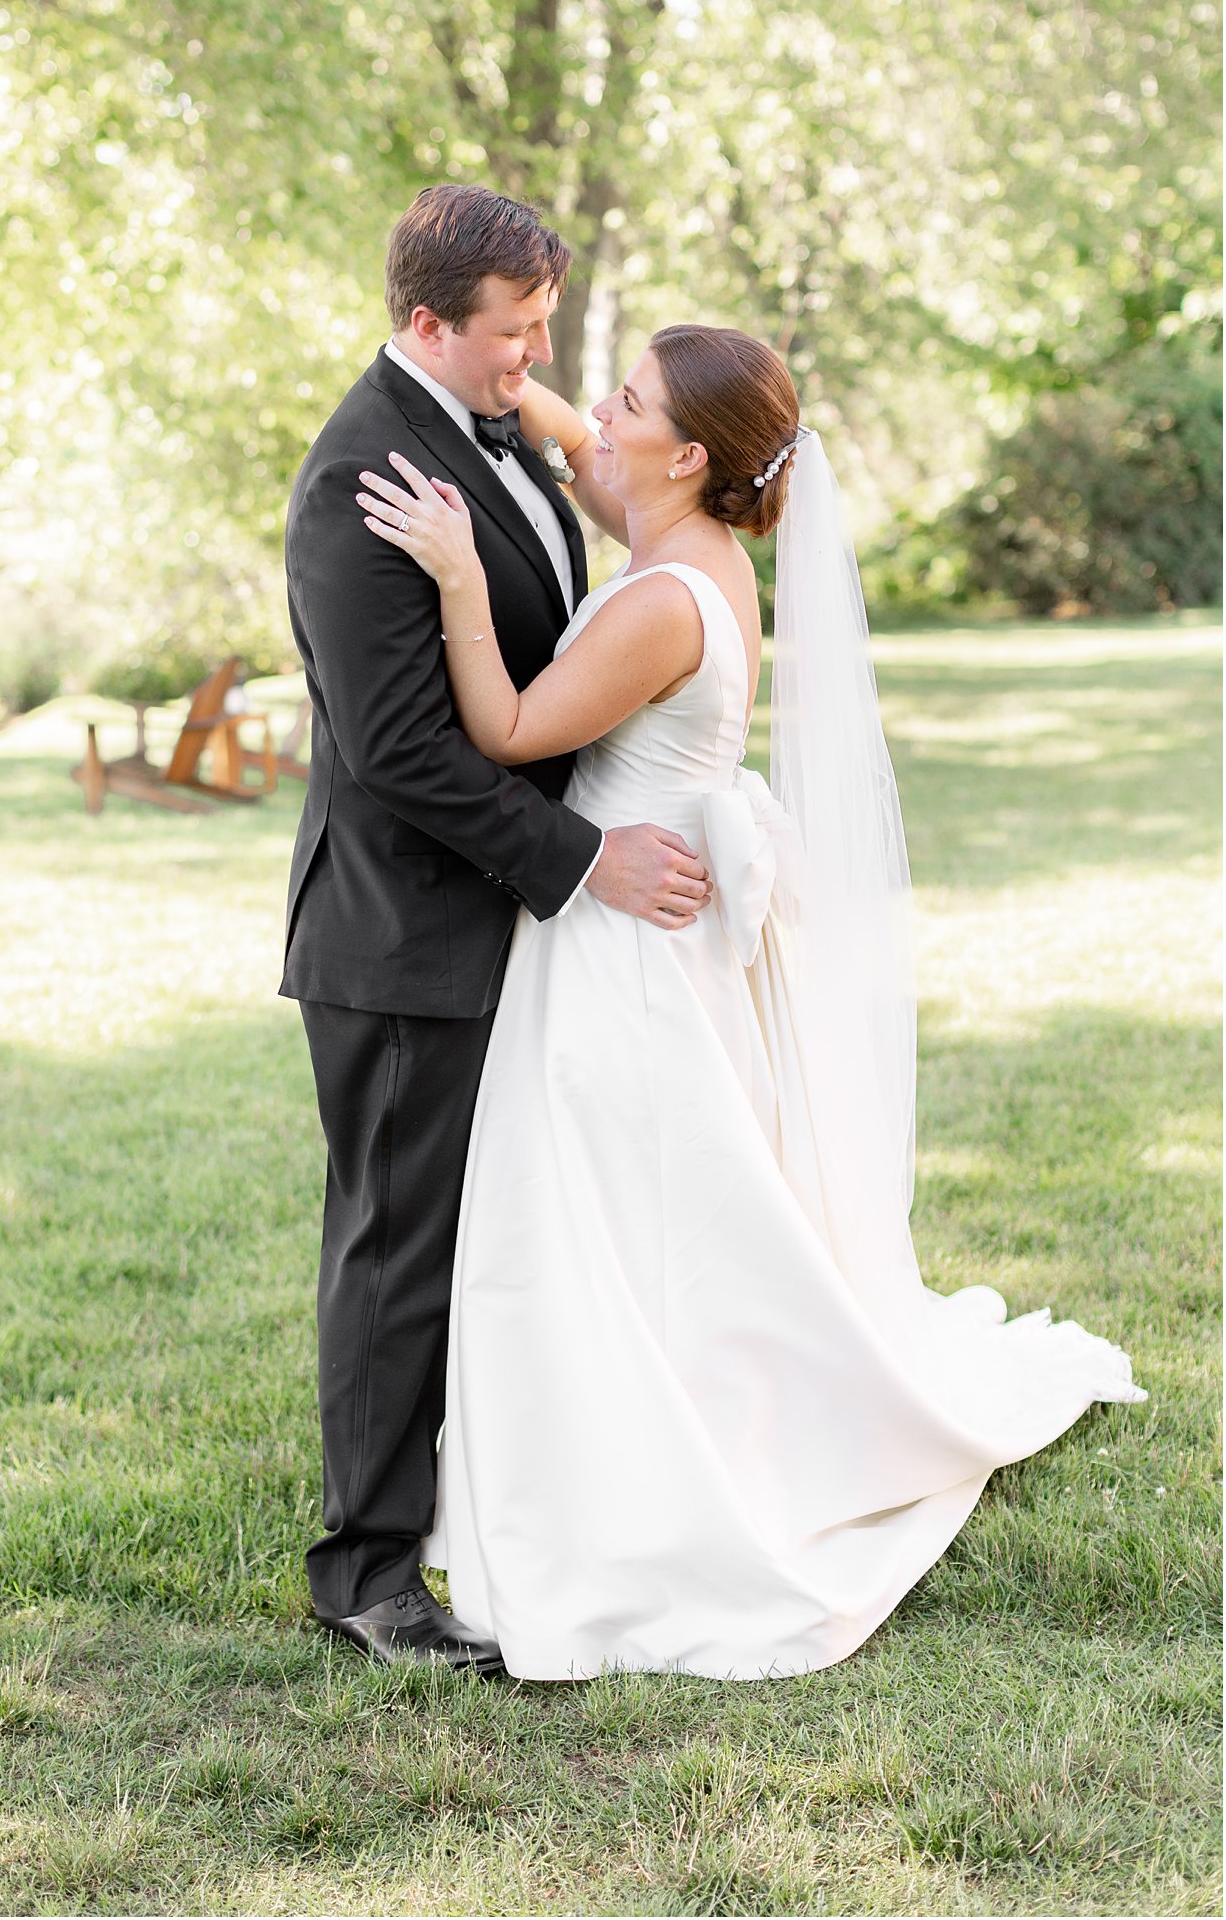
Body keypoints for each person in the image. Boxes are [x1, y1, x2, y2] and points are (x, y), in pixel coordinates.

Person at [357, 320, 1145, 1681]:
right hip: (662, 931)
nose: (597, 409)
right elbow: (591, 459)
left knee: (605, 1217)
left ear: (689, 454)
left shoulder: (667, 600)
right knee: (667, 1213)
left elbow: (508, 729)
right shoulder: (696, 544)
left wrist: (453, 576)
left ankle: (640, 1479)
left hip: (620, 938)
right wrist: (502, 374)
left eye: (631, 398)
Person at [280, 186, 715, 1675]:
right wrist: (584, 858)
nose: (536, 358)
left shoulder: (492, 417)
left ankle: (482, 1507)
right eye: (512, 334)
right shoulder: (361, 483)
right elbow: (401, 750)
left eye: (546, 328)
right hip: (402, 930)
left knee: (479, 1242)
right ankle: (368, 1573)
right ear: (424, 326)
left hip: (486, 926)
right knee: (397, 1246)